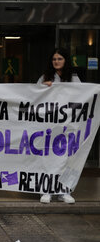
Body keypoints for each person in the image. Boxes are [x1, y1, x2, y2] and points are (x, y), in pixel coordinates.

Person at [38, 48, 80, 204]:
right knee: (47, 158)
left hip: (68, 125)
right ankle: (46, 190)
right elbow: (35, 97)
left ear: (65, 61)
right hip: (49, 126)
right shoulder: (45, 77)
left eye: (60, 59)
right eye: (54, 59)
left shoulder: (74, 79)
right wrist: (43, 87)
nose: (56, 61)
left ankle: (64, 191)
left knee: (66, 158)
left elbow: (82, 97)